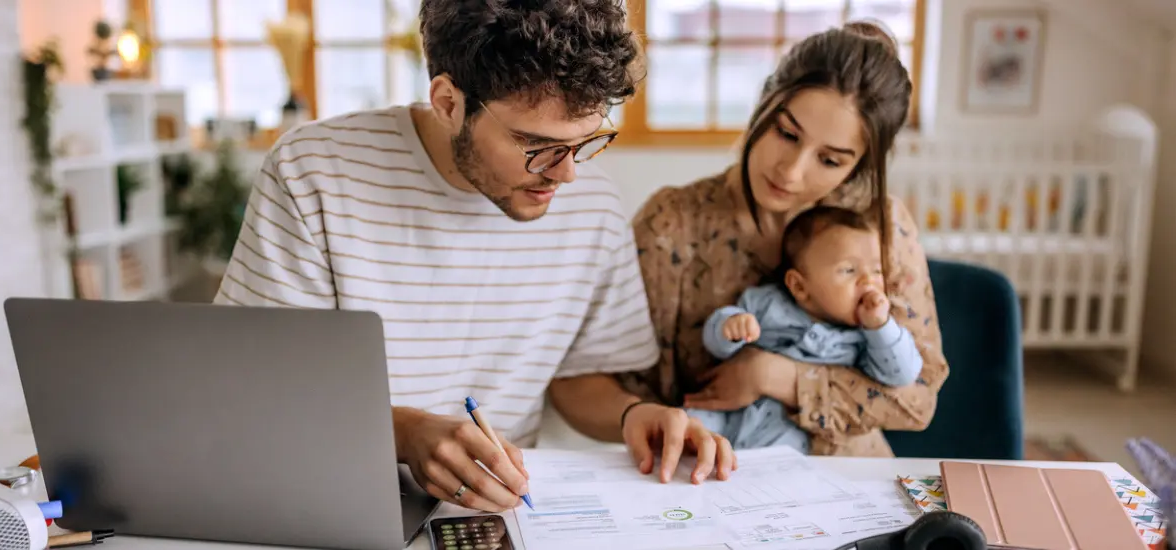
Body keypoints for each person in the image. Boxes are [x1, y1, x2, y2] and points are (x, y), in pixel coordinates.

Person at [213, 0, 736, 514]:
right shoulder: (315, 171)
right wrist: (405, 433)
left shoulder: (593, 204)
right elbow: (259, 388)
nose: (566, 174)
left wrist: (633, 414)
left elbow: (580, 377)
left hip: (499, 513)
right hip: (328, 495)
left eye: (586, 142)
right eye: (537, 144)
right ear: (447, 102)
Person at [617, 20, 950, 457]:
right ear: (764, 102)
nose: (791, 171)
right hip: (706, 476)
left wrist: (774, 377)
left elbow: (917, 397)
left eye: (829, 160)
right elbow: (619, 386)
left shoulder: (882, 226)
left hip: (848, 484)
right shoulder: (671, 223)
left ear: (860, 164)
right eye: (786, 134)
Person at [688, 205, 925, 452]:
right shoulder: (767, 303)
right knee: (692, 423)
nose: (869, 281)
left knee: (783, 457)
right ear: (800, 287)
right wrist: (729, 327)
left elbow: (902, 374)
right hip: (730, 413)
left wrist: (880, 326)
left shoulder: (865, 338)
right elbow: (716, 347)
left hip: (785, 428)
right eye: (849, 270)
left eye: (877, 270)